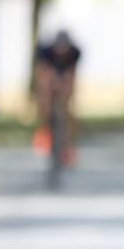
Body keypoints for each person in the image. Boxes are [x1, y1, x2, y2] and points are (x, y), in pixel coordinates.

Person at [32, 30, 81, 163]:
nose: (62, 53)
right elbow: (44, 74)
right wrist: (47, 95)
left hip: (65, 75)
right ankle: (45, 130)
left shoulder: (74, 52)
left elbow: (72, 75)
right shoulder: (46, 52)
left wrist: (67, 93)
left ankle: (68, 143)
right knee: (45, 96)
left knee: (68, 105)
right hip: (50, 72)